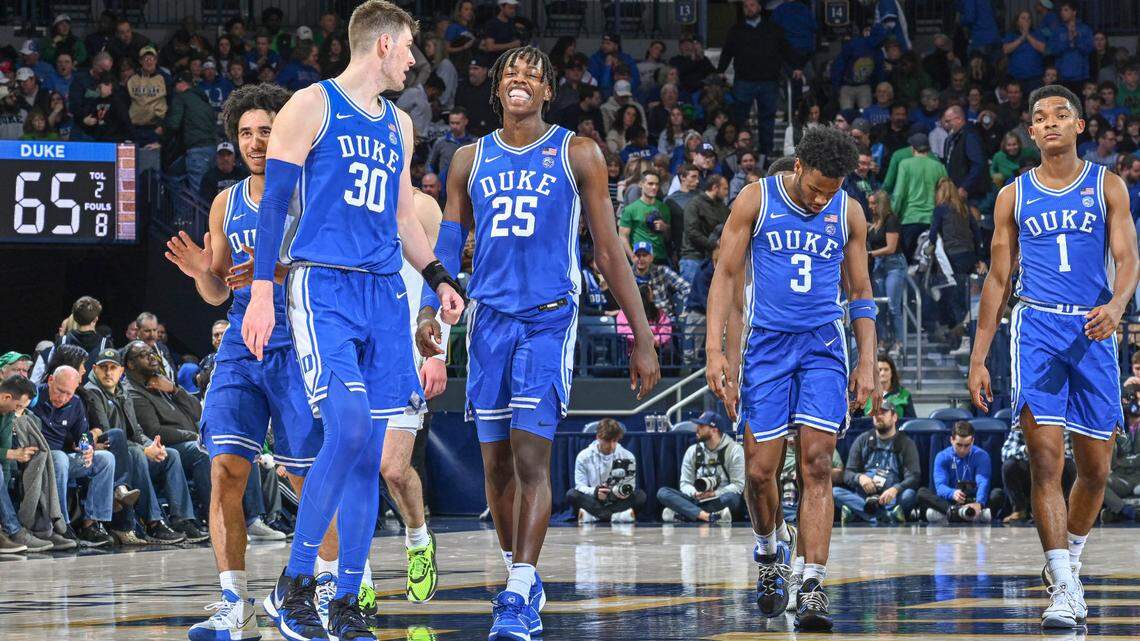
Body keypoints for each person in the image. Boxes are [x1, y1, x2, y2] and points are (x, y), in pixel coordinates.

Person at [414, 44, 659, 641]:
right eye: (511, 74)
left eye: (533, 74)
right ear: (498, 90)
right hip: (489, 320)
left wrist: (642, 336)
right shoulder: (467, 160)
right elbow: (449, 240)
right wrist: (430, 308)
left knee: (530, 458)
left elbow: (607, 253)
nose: (521, 80)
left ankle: (520, 585)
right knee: (494, 468)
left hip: (549, 318)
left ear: (548, 91)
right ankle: (516, 576)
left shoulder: (577, 152)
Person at [242, 4, 464, 640]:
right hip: (323, 285)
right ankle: (295, 583)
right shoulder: (310, 106)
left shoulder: (398, 125)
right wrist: (262, 291)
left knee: (368, 455)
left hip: (384, 293)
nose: (415, 62)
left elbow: (401, 220)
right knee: (346, 425)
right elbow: (276, 204)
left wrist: (443, 279)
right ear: (385, 45)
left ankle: (345, 602)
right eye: (410, 50)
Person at [162, 84, 348, 640]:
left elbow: (337, 264)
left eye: (265, 130)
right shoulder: (226, 201)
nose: (255, 141)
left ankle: (327, 588)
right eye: (245, 133)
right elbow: (219, 293)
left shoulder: (312, 189)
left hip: (301, 340)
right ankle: (232, 601)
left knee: (304, 475)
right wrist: (202, 271)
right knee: (225, 469)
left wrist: (278, 274)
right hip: (243, 346)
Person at [968, 84, 1139, 629]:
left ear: (1079, 126)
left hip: (1092, 326)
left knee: (1095, 469)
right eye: (1039, 117)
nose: (1048, 124)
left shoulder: (1107, 185)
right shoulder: (1012, 196)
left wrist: (1116, 305)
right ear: (1032, 130)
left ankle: (1072, 560)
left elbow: (1128, 256)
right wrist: (978, 357)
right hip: (1037, 323)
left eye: (1059, 115)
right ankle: (1063, 584)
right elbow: (997, 279)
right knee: (1046, 461)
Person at [705, 126, 877, 630]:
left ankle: (812, 584)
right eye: (817, 187)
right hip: (766, 345)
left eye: (834, 188)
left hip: (823, 344)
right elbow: (726, 277)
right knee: (759, 473)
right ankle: (769, 552)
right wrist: (717, 352)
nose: (824, 197)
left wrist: (867, 360)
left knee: (818, 464)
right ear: (797, 166)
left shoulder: (848, 211)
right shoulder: (755, 199)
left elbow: (862, 290)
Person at [81, 348, 198, 545]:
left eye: (113, 368)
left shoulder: (123, 391)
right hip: (112, 455)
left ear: (121, 371)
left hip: (132, 451)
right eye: (103, 368)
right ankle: (153, 522)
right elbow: (109, 435)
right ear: (95, 369)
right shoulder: (92, 392)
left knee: (170, 455)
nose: (108, 373)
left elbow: (136, 430)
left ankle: (182, 519)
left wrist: (152, 446)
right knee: (135, 453)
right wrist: (144, 450)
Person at [34, 366, 116, 548]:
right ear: (50, 381)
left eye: (68, 394)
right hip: (37, 460)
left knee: (105, 459)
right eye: (59, 391)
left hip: (61, 462)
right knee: (60, 457)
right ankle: (61, 525)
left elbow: (83, 435)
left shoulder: (76, 403)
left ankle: (91, 524)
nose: (62, 398)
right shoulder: (34, 396)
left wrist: (87, 448)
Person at [717, 0, 802, 158]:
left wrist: (796, 66)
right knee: (740, 117)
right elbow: (727, 51)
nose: (749, 9)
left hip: (768, 80)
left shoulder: (773, 29)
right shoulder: (736, 30)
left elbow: (786, 49)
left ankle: (765, 153)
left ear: (759, 7)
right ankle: (740, 151)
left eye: (752, 5)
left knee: (767, 119)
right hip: (744, 80)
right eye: (746, 6)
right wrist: (721, 70)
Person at [833, 398, 920, 523]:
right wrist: (860, 478)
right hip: (865, 497)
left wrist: (895, 489)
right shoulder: (862, 440)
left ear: (894, 417)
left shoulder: (905, 443)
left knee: (909, 495)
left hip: (891, 496)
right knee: (834, 492)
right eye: (875, 413)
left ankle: (861, 513)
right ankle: (886, 516)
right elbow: (848, 474)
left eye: (883, 413)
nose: (878, 416)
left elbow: (913, 477)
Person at [656, 411, 745, 523]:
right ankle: (709, 516)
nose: (696, 429)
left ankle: (684, 515)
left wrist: (714, 493)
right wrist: (695, 493)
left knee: (733, 498)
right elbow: (684, 483)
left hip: (719, 498)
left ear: (714, 430)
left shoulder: (734, 450)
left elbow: (738, 485)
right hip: (697, 499)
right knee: (663, 492)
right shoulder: (692, 450)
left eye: (701, 426)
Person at [0, 375, 54, 553]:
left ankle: (43, 527)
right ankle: (14, 530)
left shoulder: (7, 414)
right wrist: (10, 454)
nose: (19, 412)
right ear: (6, 397)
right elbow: (8, 453)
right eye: (18, 406)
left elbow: (6, 462)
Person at [566, 418, 645, 523]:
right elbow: (580, 486)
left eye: (615, 441)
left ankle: (594, 516)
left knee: (640, 496)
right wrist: (595, 492)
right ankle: (617, 517)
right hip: (594, 499)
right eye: (608, 441)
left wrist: (617, 492)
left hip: (617, 499)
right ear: (598, 437)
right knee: (572, 494)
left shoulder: (627, 455)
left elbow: (630, 486)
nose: (612, 446)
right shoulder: (584, 456)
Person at [919, 421, 993, 524]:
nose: (962, 450)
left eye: (967, 445)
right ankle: (963, 514)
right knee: (922, 493)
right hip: (951, 501)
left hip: (973, 500)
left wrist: (979, 503)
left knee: (997, 494)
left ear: (972, 441)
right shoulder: (942, 456)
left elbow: (983, 482)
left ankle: (953, 515)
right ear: (952, 440)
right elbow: (940, 486)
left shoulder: (982, 456)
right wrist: (952, 493)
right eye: (959, 445)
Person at [891, 132, 948, 259]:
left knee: (908, 261)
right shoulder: (939, 166)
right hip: (932, 221)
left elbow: (899, 193)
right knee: (928, 262)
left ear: (912, 148)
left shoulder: (905, 164)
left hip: (909, 219)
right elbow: (946, 194)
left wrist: (892, 214)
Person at [618, 170, 671, 263]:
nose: (654, 187)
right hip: (640, 258)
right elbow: (623, 236)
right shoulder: (631, 209)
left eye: (657, 184)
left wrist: (665, 228)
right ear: (641, 184)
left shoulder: (664, 208)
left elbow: (668, 237)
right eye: (650, 184)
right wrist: (632, 256)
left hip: (660, 257)